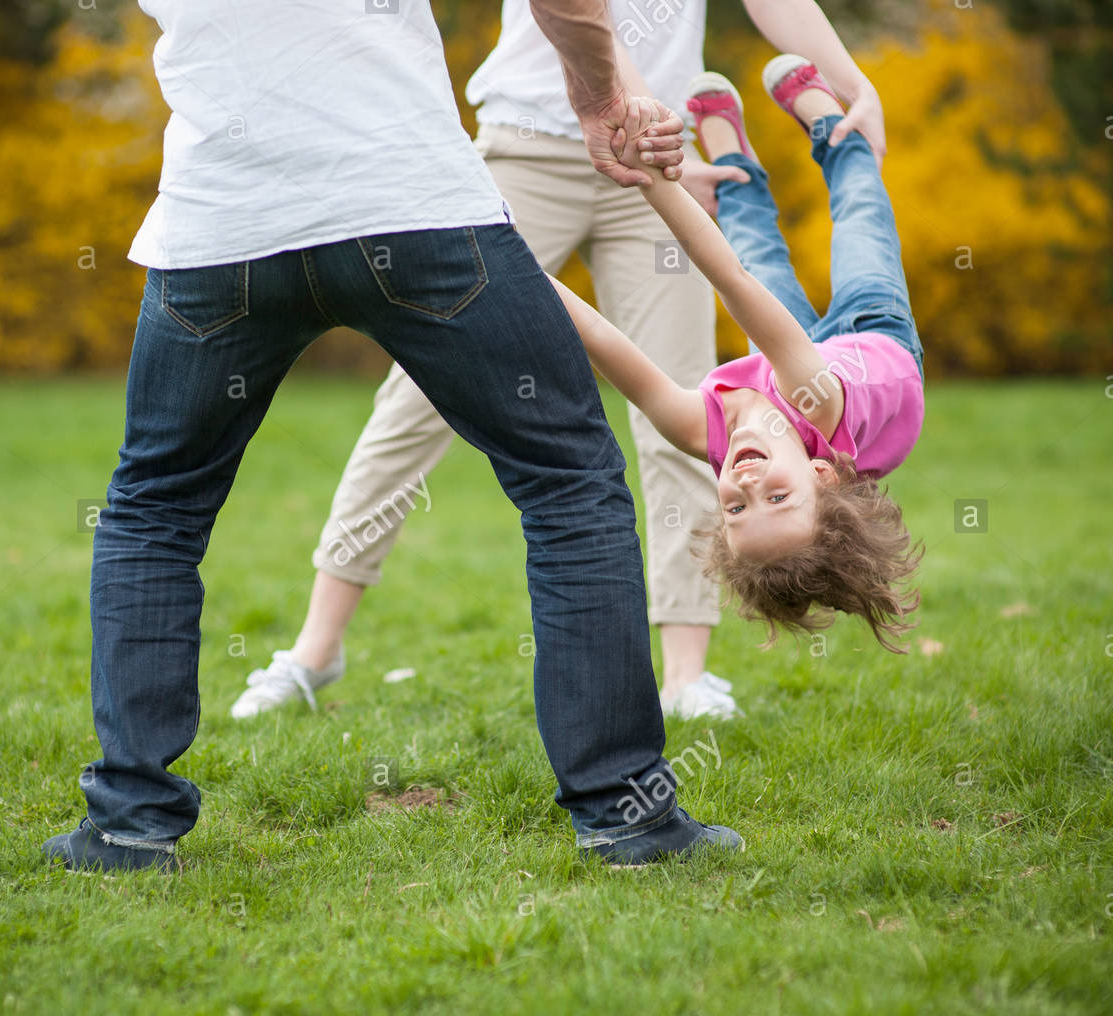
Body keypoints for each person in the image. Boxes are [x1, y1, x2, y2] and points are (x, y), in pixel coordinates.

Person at [41, 0, 744, 873]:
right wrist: (600, 97)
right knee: (569, 483)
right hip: (412, 207)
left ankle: (126, 827)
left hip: (221, 229)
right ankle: (626, 818)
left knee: (155, 509)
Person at [231, 0, 889, 722]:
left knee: (702, 427)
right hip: (531, 145)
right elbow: (584, 14)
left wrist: (853, 82)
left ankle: (685, 677)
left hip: (652, 163)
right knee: (416, 402)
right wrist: (638, 111)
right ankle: (315, 649)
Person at [550, 57, 924, 652]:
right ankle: (833, 127)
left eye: (735, 507)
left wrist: (512, 252)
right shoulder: (815, 402)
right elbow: (729, 282)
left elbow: (601, 340)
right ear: (821, 474)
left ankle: (732, 161)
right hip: (878, 342)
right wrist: (654, 177)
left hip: (789, 356)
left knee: (756, 252)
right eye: (777, 497)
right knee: (859, 220)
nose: (746, 482)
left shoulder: (699, 431)